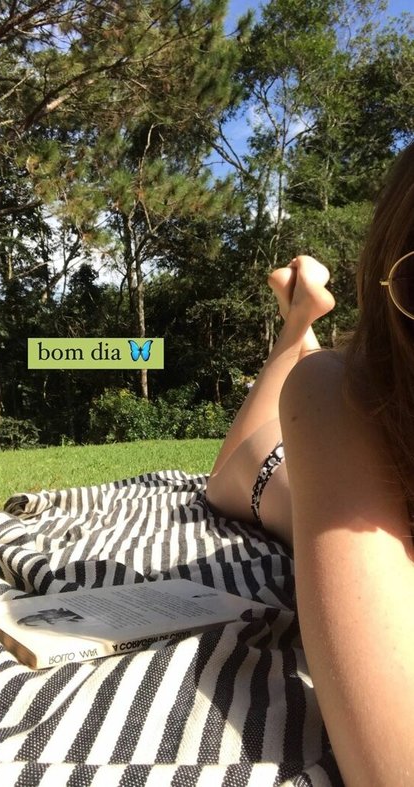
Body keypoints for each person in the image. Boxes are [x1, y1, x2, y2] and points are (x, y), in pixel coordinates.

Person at [206, 140, 414, 787]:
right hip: (279, 474)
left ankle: (301, 321)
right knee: (225, 479)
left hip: (329, 440)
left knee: (317, 387)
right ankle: (297, 326)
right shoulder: (334, 403)